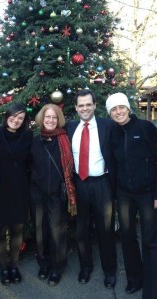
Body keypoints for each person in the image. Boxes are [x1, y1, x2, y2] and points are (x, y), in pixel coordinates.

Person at [106, 92, 157, 299]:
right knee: (127, 237)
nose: (118, 112)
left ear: (128, 108)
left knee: (150, 240)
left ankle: (151, 288)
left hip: (147, 193)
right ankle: (135, 279)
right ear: (110, 113)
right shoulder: (113, 133)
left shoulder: (146, 129)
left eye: (121, 107)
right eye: (114, 109)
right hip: (124, 194)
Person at [65, 89, 117, 288]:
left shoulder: (107, 125)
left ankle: (110, 270)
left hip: (102, 183)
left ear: (95, 105)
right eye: (81, 105)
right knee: (81, 230)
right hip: (79, 184)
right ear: (76, 108)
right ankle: (85, 267)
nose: (85, 108)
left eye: (89, 104)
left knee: (106, 230)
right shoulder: (70, 127)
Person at [30, 103, 76, 286]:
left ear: (59, 120)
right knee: (41, 232)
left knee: (57, 233)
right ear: (42, 118)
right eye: (47, 117)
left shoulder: (64, 139)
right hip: (37, 194)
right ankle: (44, 263)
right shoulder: (34, 140)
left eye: (54, 117)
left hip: (57, 194)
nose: (50, 120)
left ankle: (57, 267)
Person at [0, 103, 33, 285]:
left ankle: (14, 266)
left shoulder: (28, 136)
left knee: (17, 228)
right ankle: (3, 267)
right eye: (14, 116)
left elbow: (32, 162)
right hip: (0, 190)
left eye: (20, 118)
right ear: (7, 115)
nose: (16, 120)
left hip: (20, 189)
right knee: (1, 229)